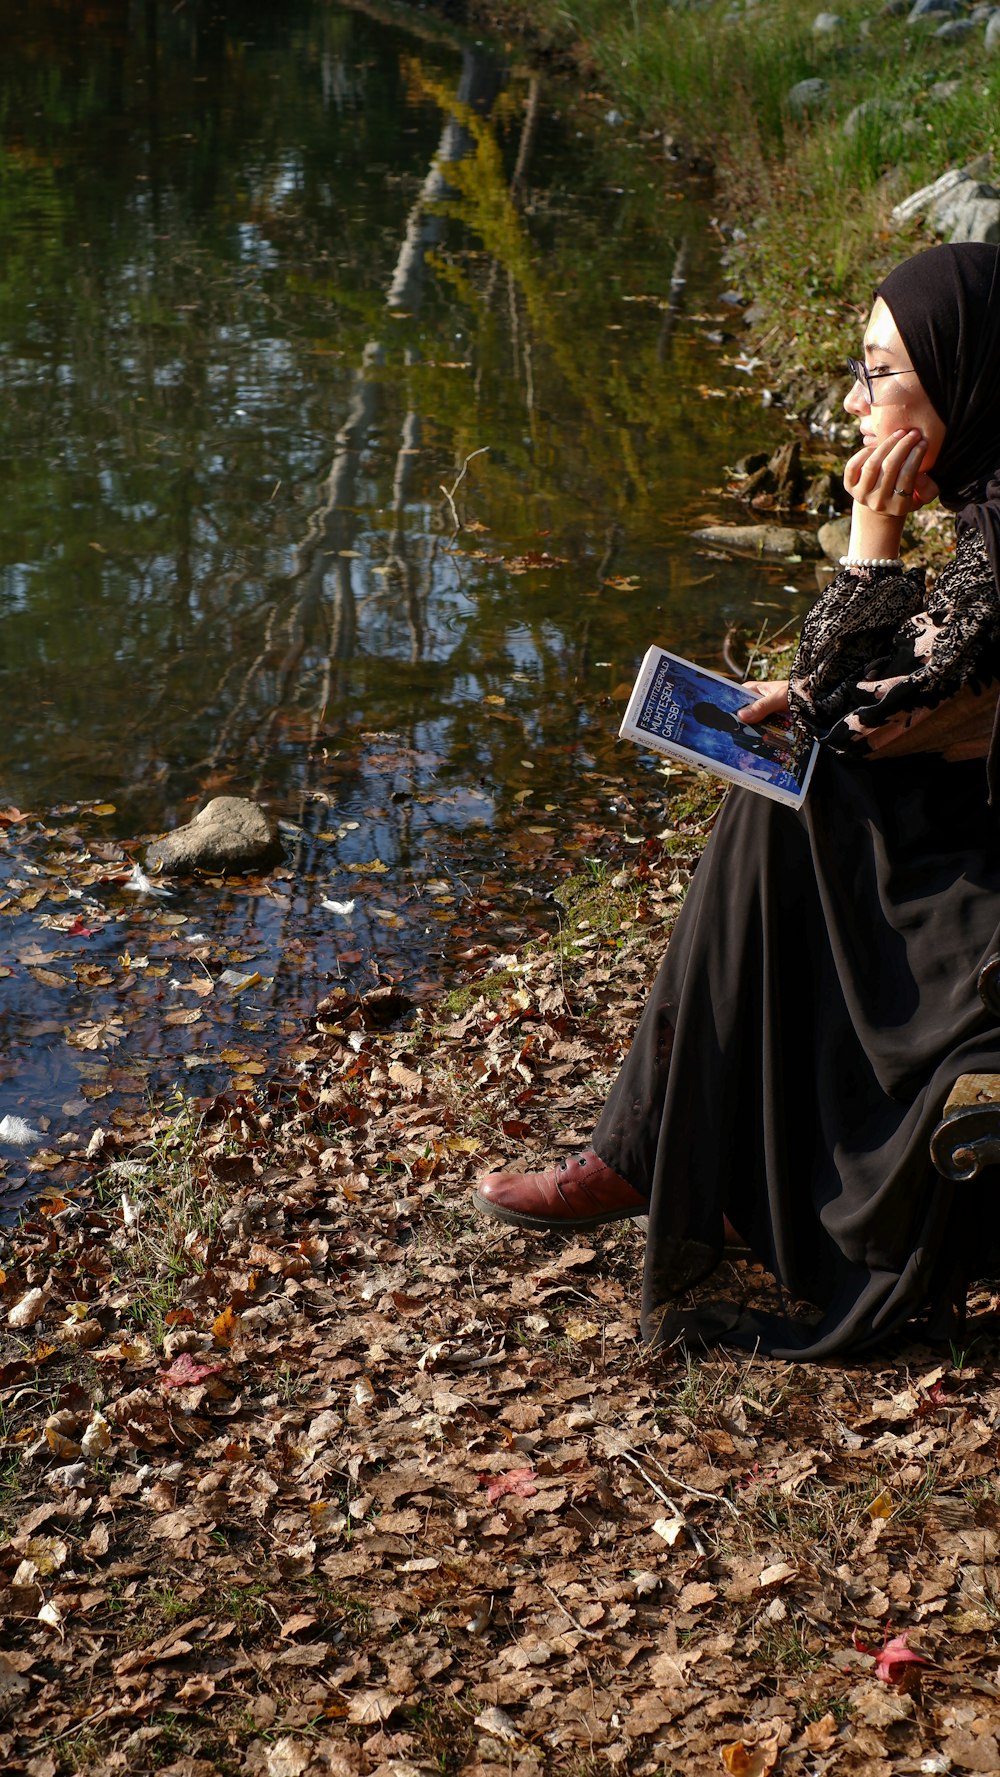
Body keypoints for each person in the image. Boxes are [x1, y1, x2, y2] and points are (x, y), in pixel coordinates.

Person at [473, 242, 1000, 1358]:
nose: (855, 404)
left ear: (960, 379)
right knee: (789, 779)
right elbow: (891, 682)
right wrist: (812, 690)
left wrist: (870, 541)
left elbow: (866, 719)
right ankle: (662, 1151)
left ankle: (653, 1152)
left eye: (879, 374)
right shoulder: (994, 518)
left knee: (796, 788)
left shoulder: (996, 554)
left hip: (978, 913)